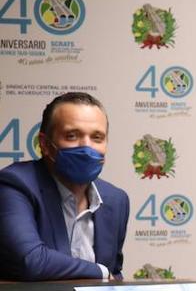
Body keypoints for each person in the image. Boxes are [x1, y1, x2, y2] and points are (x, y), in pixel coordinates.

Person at [0, 92, 129, 281]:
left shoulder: (116, 200)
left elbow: (114, 273)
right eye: (72, 135)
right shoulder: (15, 184)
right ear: (44, 144)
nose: (87, 147)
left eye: (97, 137)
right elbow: (31, 261)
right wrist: (100, 271)